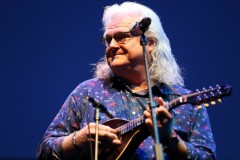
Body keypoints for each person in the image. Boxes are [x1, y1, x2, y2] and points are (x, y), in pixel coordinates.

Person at [37, 1, 216, 160]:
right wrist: (78, 140)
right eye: (108, 39)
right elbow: (44, 152)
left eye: (121, 37)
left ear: (151, 42)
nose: (112, 45)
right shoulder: (88, 92)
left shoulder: (185, 102)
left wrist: (169, 138)